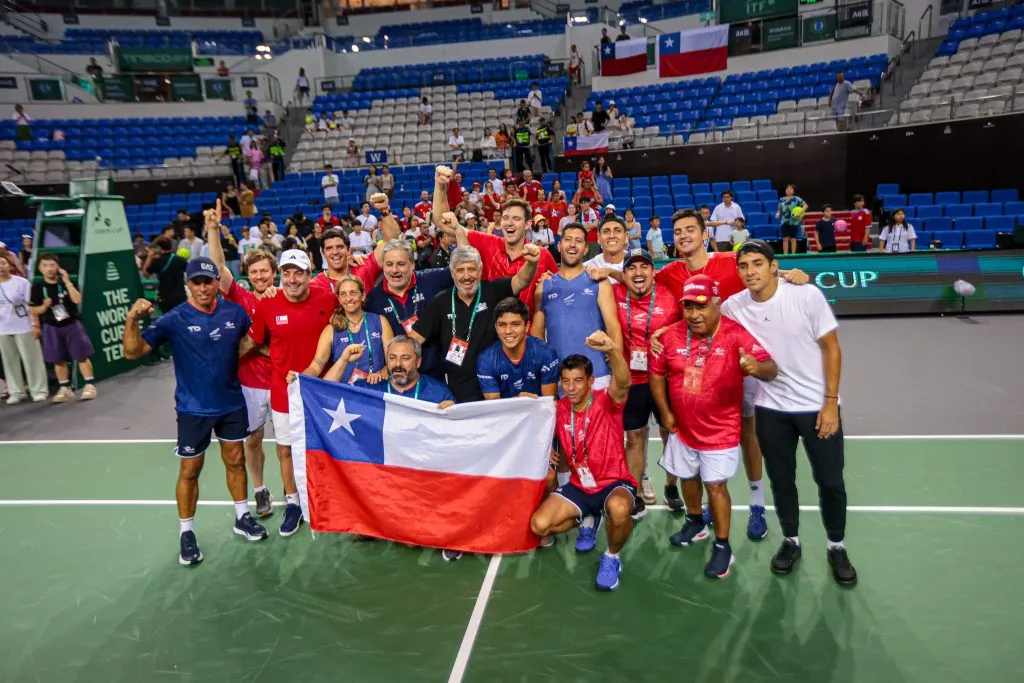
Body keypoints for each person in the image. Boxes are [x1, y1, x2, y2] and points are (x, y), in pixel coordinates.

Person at [652, 209, 808, 533]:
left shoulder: (728, 263)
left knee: (745, 431)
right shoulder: (669, 272)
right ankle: (707, 507)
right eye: (677, 231)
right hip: (696, 368)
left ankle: (756, 503)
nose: (683, 236)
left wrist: (792, 274)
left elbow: (761, 276)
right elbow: (638, 280)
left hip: (735, 359)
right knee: (696, 434)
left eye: (690, 230)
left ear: (704, 234)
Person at [724, 240, 856, 586]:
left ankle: (836, 545)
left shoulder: (806, 295)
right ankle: (791, 540)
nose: (750, 271)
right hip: (771, 408)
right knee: (782, 480)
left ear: (773, 265)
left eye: (757, 264)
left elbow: (832, 348)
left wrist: (831, 401)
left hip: (816, 406)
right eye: (743, 266)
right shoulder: (733, 306)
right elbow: (701, 319)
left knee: (830, 481)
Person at [122, 257, 267, 566]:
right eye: (197, 282)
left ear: (217, 283)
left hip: (231, 403)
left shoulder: (234, 312)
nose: (203, 287)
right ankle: (186, 532)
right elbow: (133, 351)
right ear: (188, 284)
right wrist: (132, 318)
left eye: (208, 281)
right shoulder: (173, 319)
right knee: (190, 470)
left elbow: (253, 340)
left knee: (236, 460)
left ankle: (243, 516)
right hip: (193, 409)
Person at [650, 274, 778, 579]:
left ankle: (723, 546)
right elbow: (656, 375)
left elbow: (771, 368)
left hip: (720, 431)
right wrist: (666, 413)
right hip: (682, 427)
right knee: (687, 477)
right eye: (689, 307)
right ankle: (695, 522)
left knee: (716, 487)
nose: (694, 314)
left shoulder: (735, 335)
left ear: (717, 304)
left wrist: (756, 368)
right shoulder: (672, 335)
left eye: (701, 307)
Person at [242, 249, 339, 538]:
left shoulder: (328, 300)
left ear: (310, 275)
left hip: (322, 391)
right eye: (286, 273)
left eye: (298, 272)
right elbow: (252, 341)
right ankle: (293, 504)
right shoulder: (268, 304)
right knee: (286, 449)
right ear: (280, 275)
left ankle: (330, 498)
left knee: (327, 447)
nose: (292, 279)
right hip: (284, 392)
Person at [529, 331, 636, 591]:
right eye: (565, 381)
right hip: (580, 487)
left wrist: (611, 350)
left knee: (620, 510)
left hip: (614, 483)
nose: (571, 387)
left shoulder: (607, 402)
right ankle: (586, 516)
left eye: (578, 381)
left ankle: (612, 557)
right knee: (539, 526)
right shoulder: (560, 408)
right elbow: (529, 413)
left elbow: (623, 381)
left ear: (590, 381)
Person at [205, 205, 278, 518]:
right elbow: (218, 266)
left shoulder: (286, 296)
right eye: (255, 271)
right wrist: (212, 229)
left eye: (265, 271)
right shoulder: (240, 297)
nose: (260, 276)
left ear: (274, 273)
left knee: (291, 443)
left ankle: (298, 492)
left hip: (283, 381)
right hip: (249, 382)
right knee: (254, 439)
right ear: (249, 274)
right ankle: (260, 491)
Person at [410, 242, 540, 403]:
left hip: (496, 384)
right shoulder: (441, 301)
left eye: (471, 269)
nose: (466, 276)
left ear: (480, 271)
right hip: (457, 390)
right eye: (460, 270)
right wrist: (397, 364)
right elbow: (414, 339)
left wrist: (532, 262)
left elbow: (521, 281)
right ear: (452, 274)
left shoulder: (493, 291)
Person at [611, 249, 681, 514]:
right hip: (633, 380)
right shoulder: (614, 293)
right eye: (632, 268)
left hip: (664, 378)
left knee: (670, 434)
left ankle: (671, 485)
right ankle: (636, 491)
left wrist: (668, 330)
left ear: (654, 271)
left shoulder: (670, 297)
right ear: (624, 274)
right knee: (634, 437)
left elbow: (689, 325)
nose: (638, 273)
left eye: (644, 267)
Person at [433, 166, 557, 313]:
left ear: (528, 224)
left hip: (528, 332)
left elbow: (560, 291)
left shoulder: (542, 255)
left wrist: (550, 284)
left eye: (516, 218)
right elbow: (445, 222)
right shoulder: (487, 242)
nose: (509, 223)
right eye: (506, 218)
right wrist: (440, 186)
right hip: (490, 331)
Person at [29, 254, 97, 403]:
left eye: (52, 265)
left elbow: (77, 299)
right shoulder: (37, 287)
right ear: (40, 268)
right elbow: (33, 310)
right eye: (45, 266)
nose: (49, 269)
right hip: (51, 327)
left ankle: (89, 385)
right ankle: (64, 388)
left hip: (72, 324)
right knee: (57, 359)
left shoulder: (68, 282)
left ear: (57, 267)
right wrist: (44, 306)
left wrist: (66, 281)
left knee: (81, 356)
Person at [304, 274, 392, 385]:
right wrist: (299, 378)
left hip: (375, 391)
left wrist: (382, 372)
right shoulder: (331, 330)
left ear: (363, 295)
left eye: (353, 293)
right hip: (346, 395)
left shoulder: (380, 321)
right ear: (339, 299)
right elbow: (317, 365)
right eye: (343, 294)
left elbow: (392, 359)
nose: (349, 298)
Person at [477, 297, 559, 400]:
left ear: (527, 326)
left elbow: (550, 404)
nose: (508, 331)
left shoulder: (546, 353)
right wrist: (519, 401)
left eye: (515, 324)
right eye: (502, 325)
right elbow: (494, 408)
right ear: (496, 327)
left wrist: (527, 404)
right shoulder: (486, 360)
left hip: (540, 414)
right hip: (506, 415)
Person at [0, 255, 47, 403]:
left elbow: (31, 305)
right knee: (9, 362)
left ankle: (38, 390)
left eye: (3, 263)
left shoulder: (22, 282)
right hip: (3, 329)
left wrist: (35, 324)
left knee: (32, 359)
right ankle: (16, 392)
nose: (1, 266)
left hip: (23, 325)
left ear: (9, 265)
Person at [776, 184, 807, 255]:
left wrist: (800, 212)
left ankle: (793, 255)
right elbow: (779, 209)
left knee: (793, 239)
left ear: (793, 191)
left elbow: (805, 206)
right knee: (785, 239)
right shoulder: (781, 199)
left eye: (790, 189)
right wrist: (778, 213)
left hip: (794, 222)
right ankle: (785, 255)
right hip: (784, 222)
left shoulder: (797, 199)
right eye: (787, 188)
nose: (788, 190)